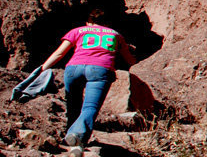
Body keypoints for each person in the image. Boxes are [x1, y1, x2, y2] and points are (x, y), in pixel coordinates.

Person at [37, 9, 137, 155]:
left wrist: (42, 68)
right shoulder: (116, 35)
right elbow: (129, 60)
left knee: (73, 104)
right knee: (90, 107)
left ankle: (71, 139)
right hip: (100, 69)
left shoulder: (78, 31)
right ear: (106, 23)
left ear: (88, 21)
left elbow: (60, 53)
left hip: (74, 68)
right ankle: (77, 136)